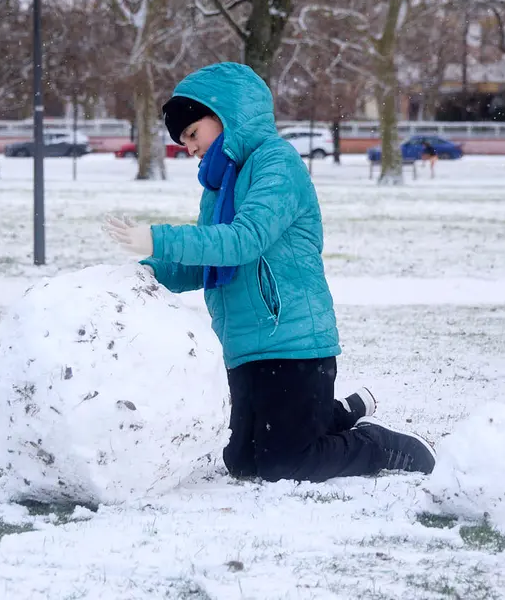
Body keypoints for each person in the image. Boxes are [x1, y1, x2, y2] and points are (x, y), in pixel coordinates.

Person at [103, 62, 436, 482]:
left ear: (223, 115)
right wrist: (141, 274)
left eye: (192, 134)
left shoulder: (277, 164)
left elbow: (242, 241)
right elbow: (209, 260)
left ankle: (381, 446)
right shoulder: (220, 186)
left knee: (286, 463)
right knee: (243, 462)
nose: (189, 148)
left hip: (294, 343)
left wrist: (158, 237)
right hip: (244, 346)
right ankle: (334, 413)